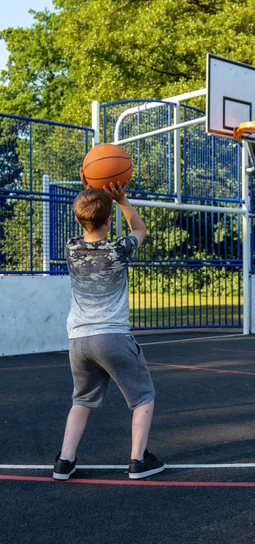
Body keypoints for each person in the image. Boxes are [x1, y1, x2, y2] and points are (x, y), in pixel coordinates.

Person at [53, 172, 165, 480]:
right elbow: (139, 228)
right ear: (108, 221)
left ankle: (65, 461)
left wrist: (90, 184)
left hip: (78, 340)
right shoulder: (118, 251)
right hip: (112, 337)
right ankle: (138, 461)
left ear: (80, 221)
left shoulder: (71, 248)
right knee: (143, 396)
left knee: (81, 400)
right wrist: (121, 199)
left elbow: (88, 213)